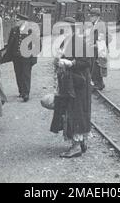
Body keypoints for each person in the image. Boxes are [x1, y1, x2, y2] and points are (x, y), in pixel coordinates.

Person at [50, 17, 93, 158]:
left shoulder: (79, 42)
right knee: (72, 111)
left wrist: (70, 63)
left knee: (76, 111)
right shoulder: (66, 40)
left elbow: (87, 62)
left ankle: (76, 146)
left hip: (78, 83)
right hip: (70, 82)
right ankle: (81, 142)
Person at [2, 14, 38, 102]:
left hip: (27, 57)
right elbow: (11, 42)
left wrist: (34, 57)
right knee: (18, 74)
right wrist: (7, 55)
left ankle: (26, 93)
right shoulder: (14, 30)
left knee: (26, 74)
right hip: (16, 56)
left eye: (18, 20)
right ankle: (21, 91)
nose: (16, 22)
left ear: (23, 21)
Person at [89, 8, 111, 91]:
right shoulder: (95, 24)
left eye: (92, 16)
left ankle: (99, 84)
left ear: (97, 16)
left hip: (99, 49)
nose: (90, 18)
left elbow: (103, 37)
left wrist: (95, 45)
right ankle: (98, 83)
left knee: (98, 66)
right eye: (90, 16)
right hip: (96, 48)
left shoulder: (101, 25)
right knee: (95, 66)